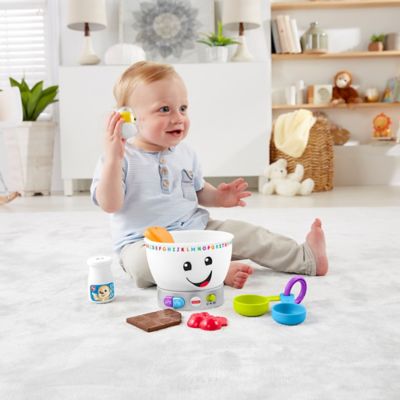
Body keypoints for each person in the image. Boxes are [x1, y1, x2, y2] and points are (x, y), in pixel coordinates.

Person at [90, 61, 328, 289]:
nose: (178, 117)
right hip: (144, 244)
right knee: (143, 266)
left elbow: (197, 190)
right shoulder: (118, 158)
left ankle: (305, 258)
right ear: (127, 117)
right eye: (164, 109)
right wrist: (113, 160)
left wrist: (219, 198)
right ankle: (215, 271)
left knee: (249, 235)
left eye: (183, 108)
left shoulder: (185, 153)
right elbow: (110, 205)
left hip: (195, 231)